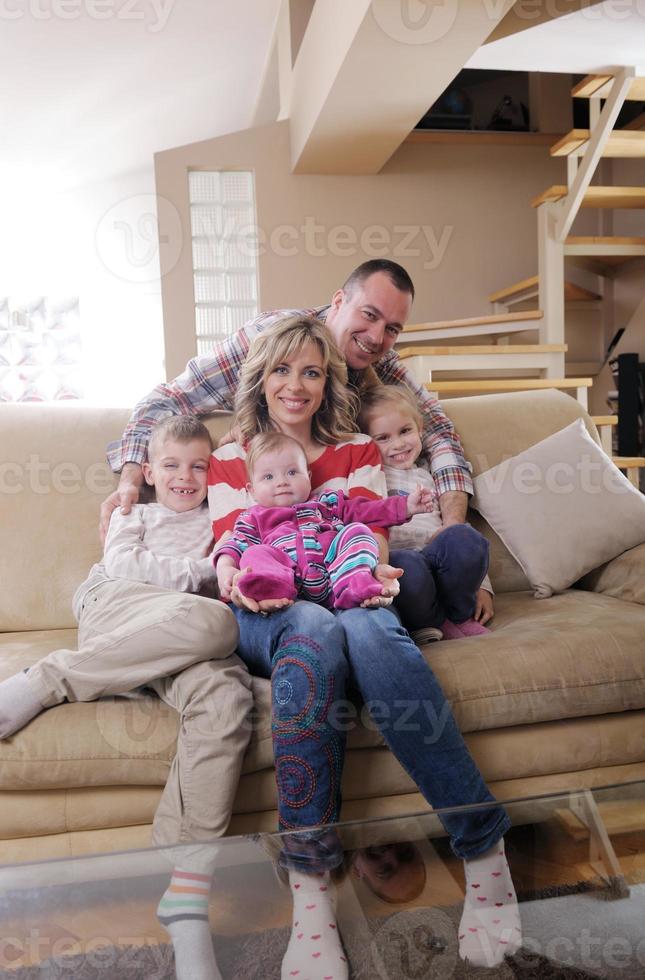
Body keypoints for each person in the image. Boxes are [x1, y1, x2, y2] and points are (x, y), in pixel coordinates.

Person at [209, 314, 522, 978]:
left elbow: (369, 539)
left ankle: (482, 852)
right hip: (267, 608)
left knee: (361, 625)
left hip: (347, 588)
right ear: (260, 376)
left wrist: (369, 576)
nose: (296, 385)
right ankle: (312, 893)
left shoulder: (354, 449)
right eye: (282, 369)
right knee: (315, 627)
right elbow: (230, 550)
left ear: (328, 383)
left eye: (313, 371)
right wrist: (239, 582)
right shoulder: (229, 455)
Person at [0, 415, 253, 980]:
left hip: (175, 636)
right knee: (216, 623)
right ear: (149, 474)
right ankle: (48, 679)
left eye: (198, 466)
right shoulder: (134, 514)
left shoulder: (222, 520)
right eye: (170, 465)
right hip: (116, 606)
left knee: (227, 698)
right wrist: (200, 573)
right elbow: (123, 566)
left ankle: (186, 901)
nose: (185, 477)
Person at [99, 260, 473, 548]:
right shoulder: (271, 339)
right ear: (340, 301)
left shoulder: (380, 364)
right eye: (369, 315)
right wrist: (133, 481)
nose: (376, 337)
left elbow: (438, 431)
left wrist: (454, 525)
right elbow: (163, 402)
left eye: (392, 328)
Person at [215, 430, 434, 611]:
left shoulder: (327, 502)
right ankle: (270, 588)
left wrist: (406, 506)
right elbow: (235, 544)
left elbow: (369, 510)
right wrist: (225, 568)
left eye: (292, 472)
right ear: (252, 490)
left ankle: (355, 584)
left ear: (308, 477)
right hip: (291, 581)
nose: (282, 482)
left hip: (333, 573)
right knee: (255, 553)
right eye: (269, 477)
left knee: (358, 530)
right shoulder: (252, 517)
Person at [359, 384, 494, 644]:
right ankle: (431, 622)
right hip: (403, 565)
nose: (398, 444)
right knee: (408, 567)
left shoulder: (430, 474)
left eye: (405, 431)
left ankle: (459, 616)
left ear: (420, 428)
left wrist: (482, 587)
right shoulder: (372, 477)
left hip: (438, 559)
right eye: (383, 438)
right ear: (366, 441)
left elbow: (457, 535)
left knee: (465, 538)